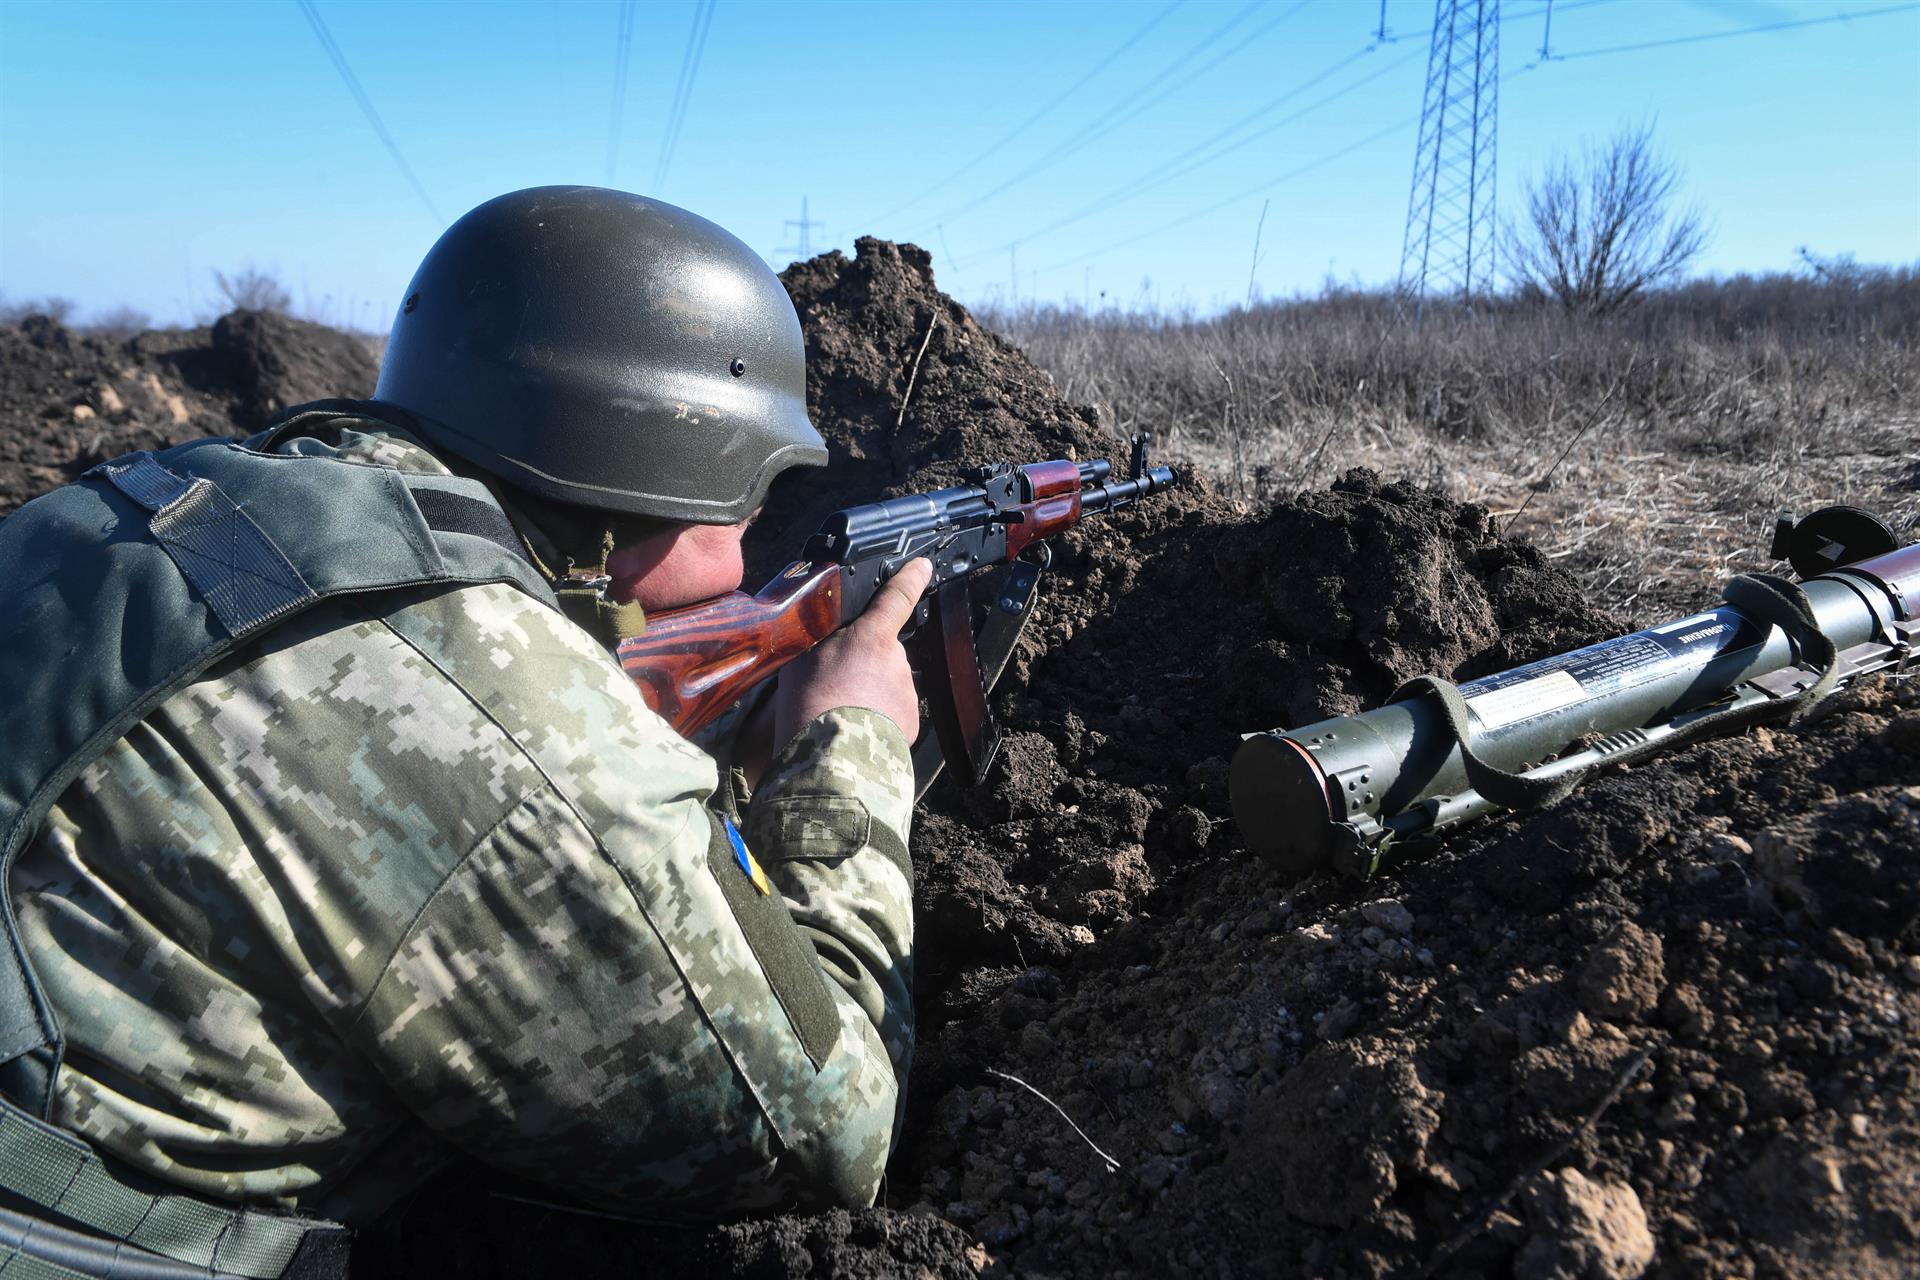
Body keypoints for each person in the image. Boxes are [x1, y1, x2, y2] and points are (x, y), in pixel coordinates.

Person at [0, 187, 925, 1278]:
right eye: (754, 491)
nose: (752, 534)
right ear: (667, 462)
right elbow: (827, 1133)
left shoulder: (146, 501)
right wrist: (851, 746)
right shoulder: (517, 745)